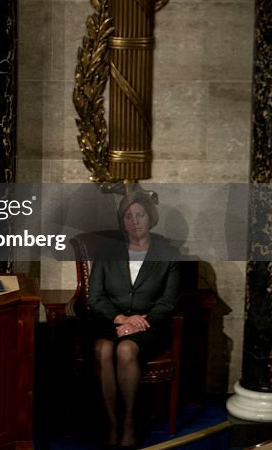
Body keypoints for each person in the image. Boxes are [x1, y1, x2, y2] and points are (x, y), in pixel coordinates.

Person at [88, 189, 180, 449]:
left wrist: (140, 321)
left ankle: (128, 422)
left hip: (149, 324)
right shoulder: (107, 251)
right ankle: (112, 423)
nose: (135, 221)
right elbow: (95, 297)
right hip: (109, 322)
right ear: (122, 221)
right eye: (128, 216)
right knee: (104, 349)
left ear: (150, 217)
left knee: (126, 350)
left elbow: (168, 301)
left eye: (140, 215)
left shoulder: (169, 253)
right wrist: (120, 318)